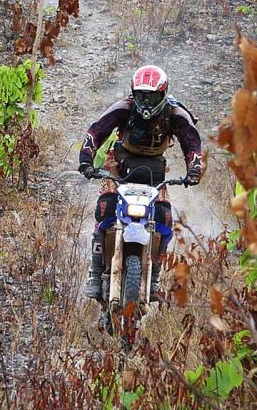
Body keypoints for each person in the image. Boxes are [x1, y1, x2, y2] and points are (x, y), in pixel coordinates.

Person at [78, 65, 202, 301]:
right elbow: (95, 133)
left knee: (165, 217)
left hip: (154, 172)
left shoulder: (175, 114)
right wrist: (86, 161)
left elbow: (192, 145)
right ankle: (95, 273)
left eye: (151, 96)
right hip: (119, 165)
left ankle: (153, 277)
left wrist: (194, 170)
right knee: (104, 208)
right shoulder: (123, 108)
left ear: (163, 94)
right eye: (141, 95)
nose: (145, 102)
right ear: (133, 93)